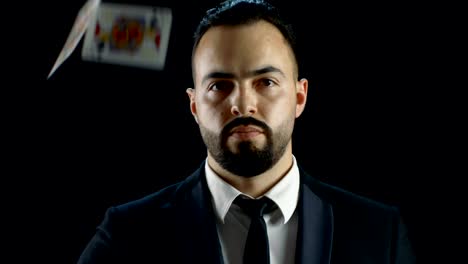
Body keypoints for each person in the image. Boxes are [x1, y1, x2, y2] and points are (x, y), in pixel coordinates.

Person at [77, 0, 415, 263]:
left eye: (265, 82)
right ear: (194, 105)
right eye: (220, 85)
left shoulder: (378, 233)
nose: (242, 104)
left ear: (300, 96)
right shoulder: (127, 235)